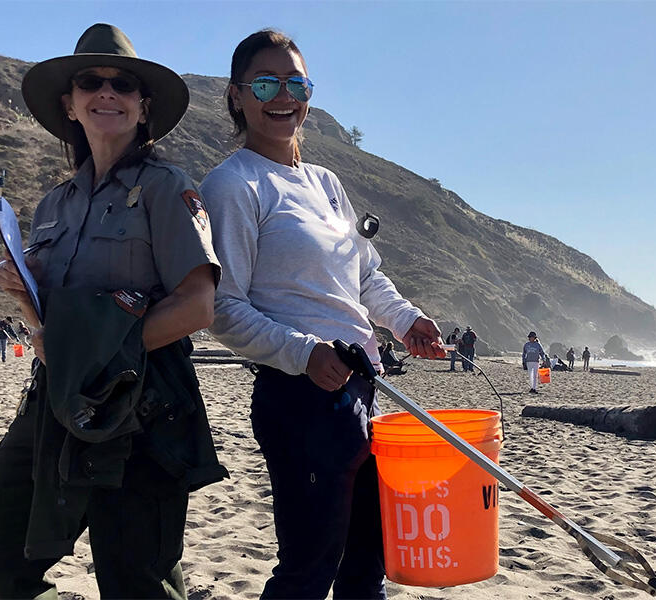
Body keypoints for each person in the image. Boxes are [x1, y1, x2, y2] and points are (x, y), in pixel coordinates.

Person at [0, 24, 227, 599]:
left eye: (123, 84)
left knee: (137, 577)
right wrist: (24, 297)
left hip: (145, 401)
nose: (107, 92)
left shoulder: (168, 188)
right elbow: (49, 326)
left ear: (143, 105)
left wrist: (106, 359)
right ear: (70, 103)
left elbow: (198, 305)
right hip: (54, 398)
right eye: (91, 81)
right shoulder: (54, 204)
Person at [199, 29, 445, 600]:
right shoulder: (233, 184)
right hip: (299, 399)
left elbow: (363, 276)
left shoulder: (325, 183)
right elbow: (224, 309)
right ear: (237, 95)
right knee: (309, 568)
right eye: (266, 83)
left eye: (296, 82)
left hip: (361, 389)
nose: (283, 95)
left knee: (366, 565)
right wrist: (303, 353)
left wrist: (406, 320)